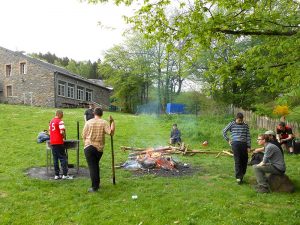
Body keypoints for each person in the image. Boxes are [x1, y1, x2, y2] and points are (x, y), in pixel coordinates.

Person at [82, 107, 115, 193]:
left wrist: (85, 143)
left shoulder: (88, 122)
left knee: (93, 167)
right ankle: (97, 183)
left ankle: (94, 187)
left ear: (94, 113)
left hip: (89, 147)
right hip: (99, 149)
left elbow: (83, 135)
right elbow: (111, 133)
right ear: (102, 114)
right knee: (95, 165)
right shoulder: (104, 122)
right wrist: (113, 122)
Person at [223, 112, 251, 184]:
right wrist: (228, 140)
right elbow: (224, 131)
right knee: (238, 160)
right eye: (239, 120)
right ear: (236, 118)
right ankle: (238, 178)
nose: (240, 121)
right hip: (235, 144)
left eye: (241, 120)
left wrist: (249, 146)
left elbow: (248, 136)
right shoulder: (232, 124)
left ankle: (242, 175)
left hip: (244, 144)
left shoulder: (245, 125)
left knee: (244, 160)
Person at [49, 110, 72, 180]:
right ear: (59, 114)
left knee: (55, 158)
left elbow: (50, 133)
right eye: (62, 114)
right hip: (59, 142)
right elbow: (62, 131)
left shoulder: (51, 121)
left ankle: (56, 175)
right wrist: (63, 136)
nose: (63, 116)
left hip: (52, 142)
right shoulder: (60, 121)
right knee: (63, 158)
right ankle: (65, 175)